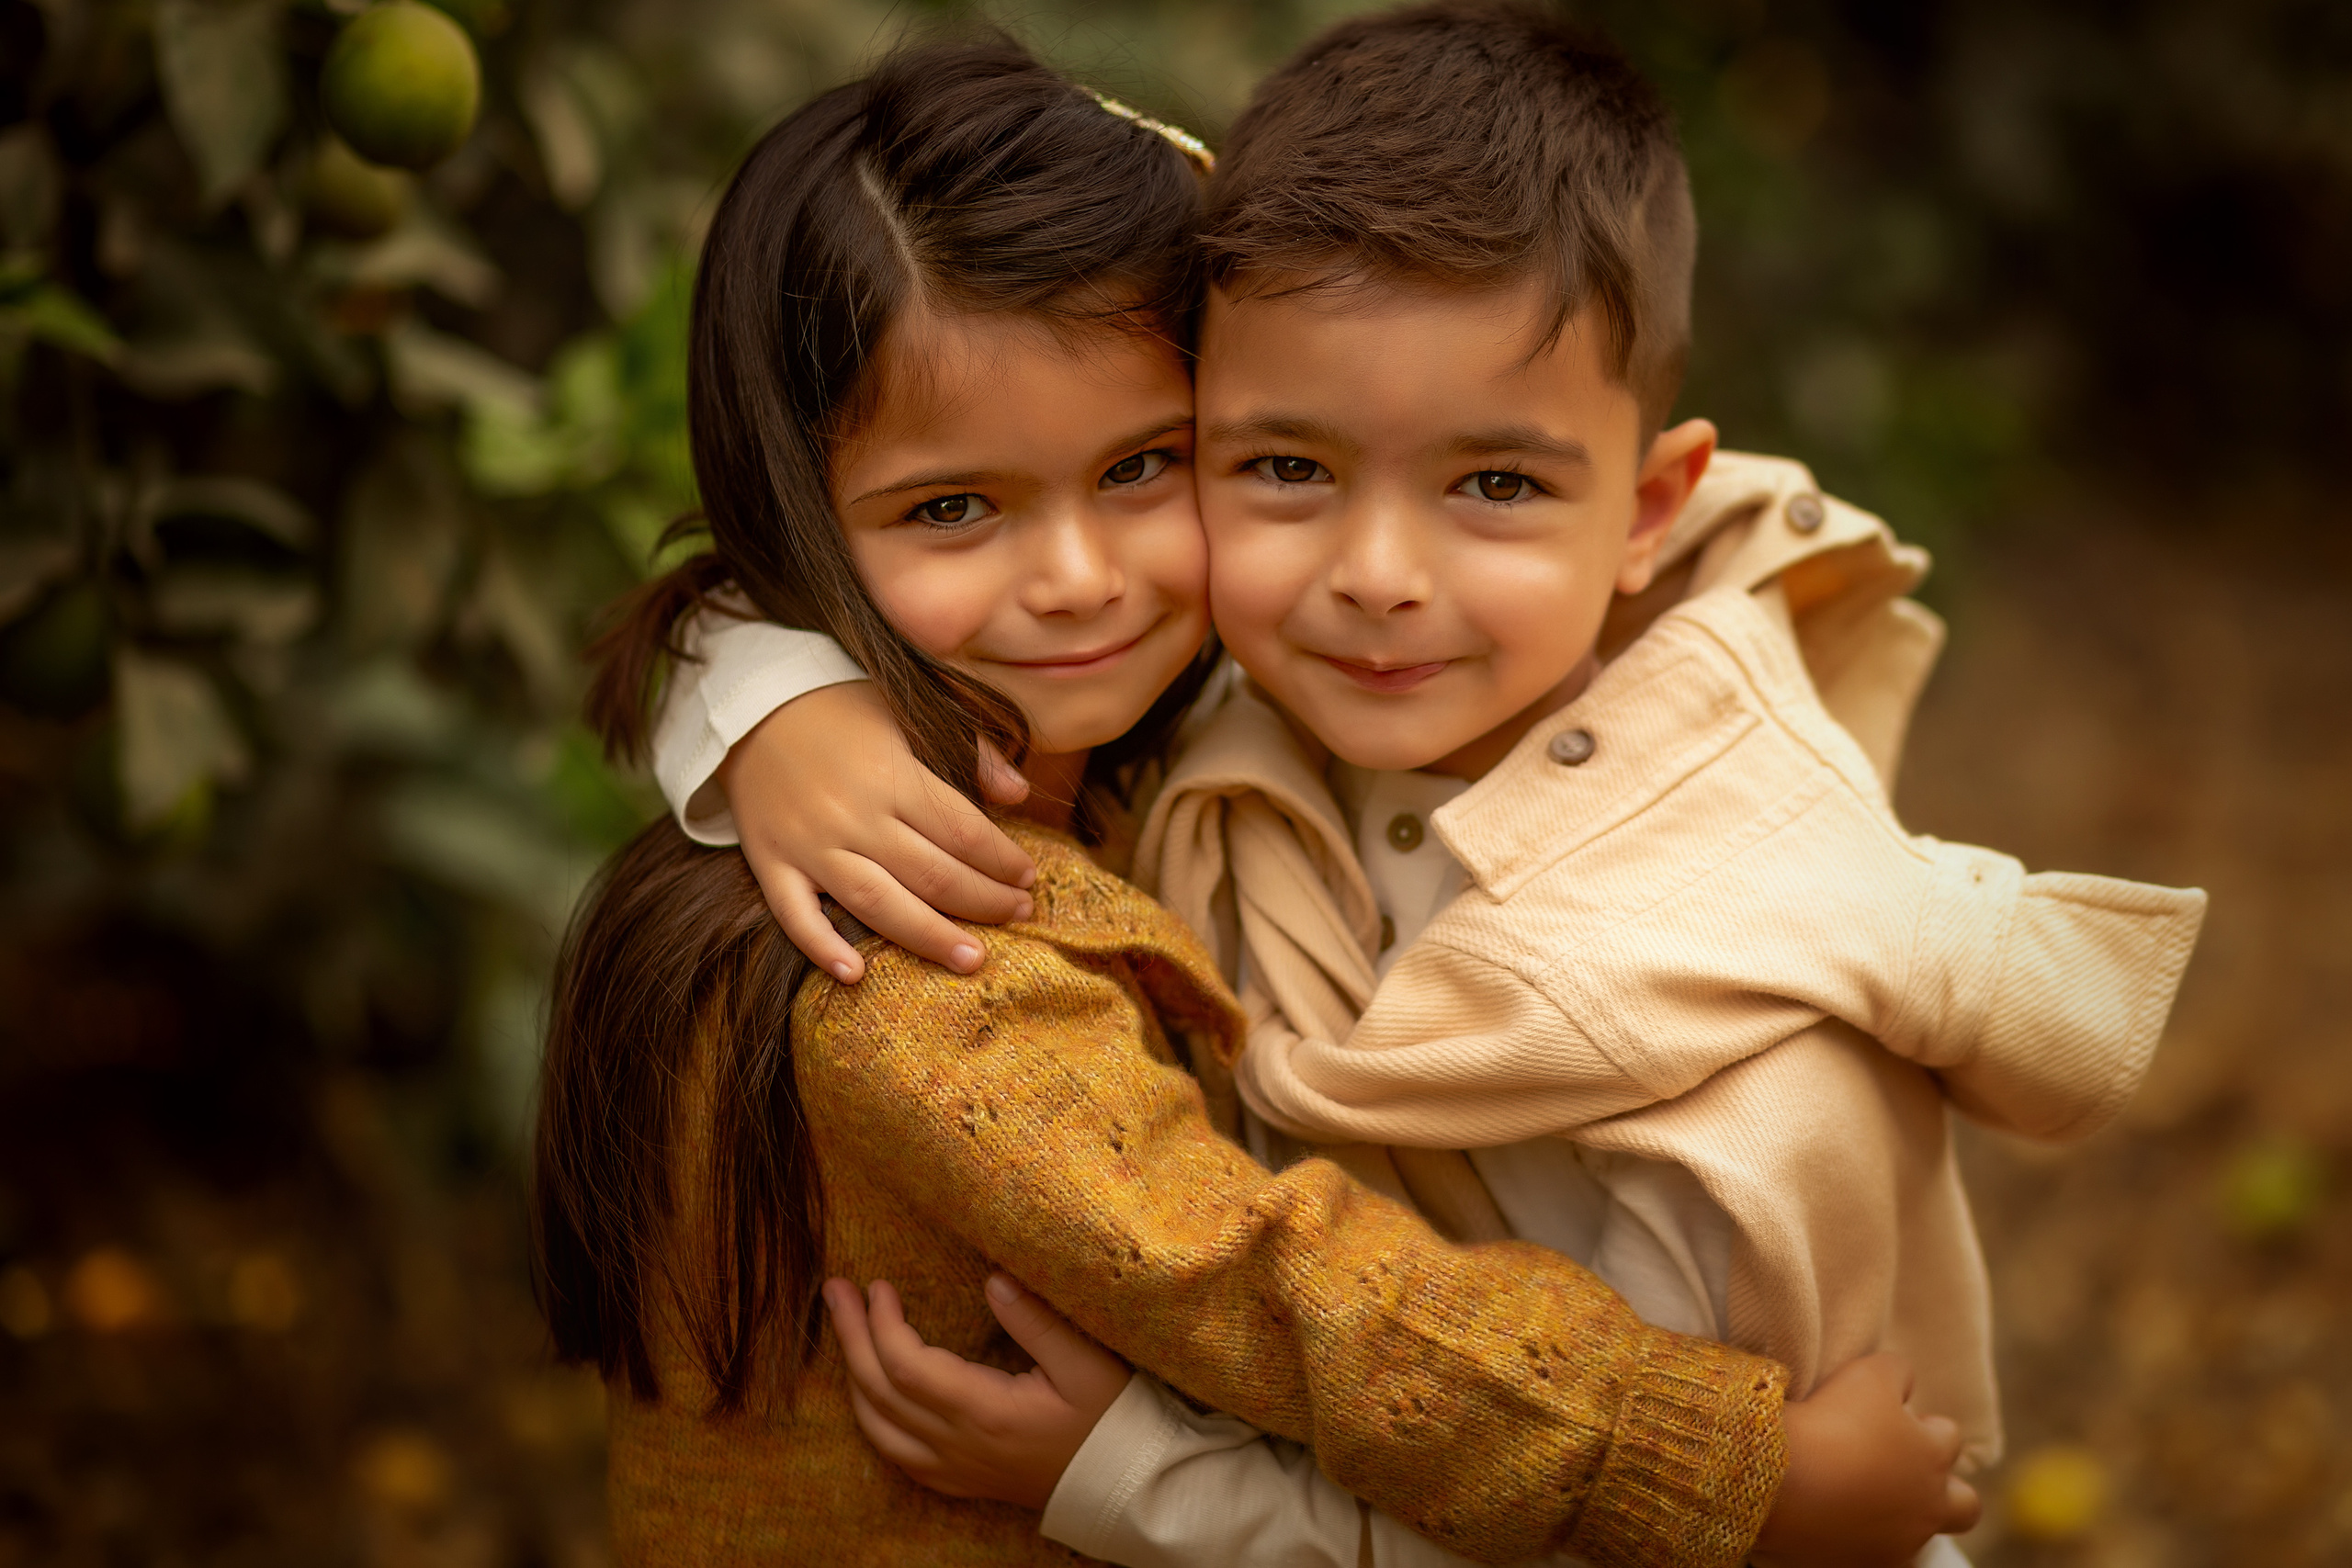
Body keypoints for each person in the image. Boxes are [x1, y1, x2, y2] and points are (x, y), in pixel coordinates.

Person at [645, 6, 2207, 1566]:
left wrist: (1129, 1479)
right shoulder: (1084, 806)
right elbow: (1277, 1293)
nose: (1378, 577)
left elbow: (1559, 1486)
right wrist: (776, 705)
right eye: (1284, 468)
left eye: (1136, 470)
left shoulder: (1698, 1041)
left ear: (1647, 510)